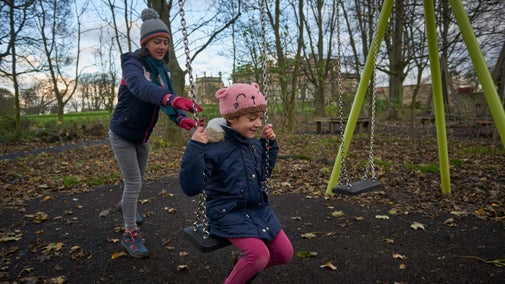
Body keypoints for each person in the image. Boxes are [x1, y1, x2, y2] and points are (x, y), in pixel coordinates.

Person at [109, 8, 203, 259]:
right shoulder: (132, 63)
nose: (161, 46)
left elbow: (164, 102)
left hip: (142, 136)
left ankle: (124, 206)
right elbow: (142, 89)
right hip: (121, 134)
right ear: (145, 43)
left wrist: (181, 119)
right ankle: (130, 233)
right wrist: (172, 98)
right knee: (134, 183)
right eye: (156, 41)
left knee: (137, 181)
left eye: (164, 42)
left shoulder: (162, 70)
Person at [179, 83, 293, 283]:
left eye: (259, 117)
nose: (258, 123)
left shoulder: (254, 144)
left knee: (285, 254)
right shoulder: (213, 148)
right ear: (231, 118)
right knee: (258, 256)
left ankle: (242, 262)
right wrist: (194, 149)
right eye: (251, 118)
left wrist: (270, 146)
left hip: (258, 210)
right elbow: (191, 187)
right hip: (227, 213)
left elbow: (264, 173)